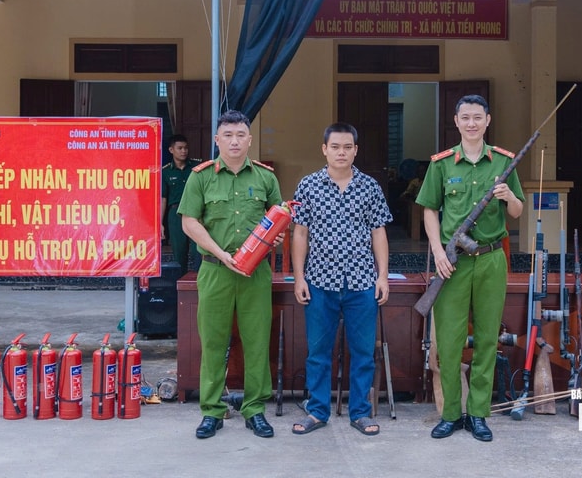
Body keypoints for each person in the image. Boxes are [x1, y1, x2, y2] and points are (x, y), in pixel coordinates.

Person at [415, 94, 524, 442]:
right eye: (466, 117)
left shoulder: (503, 162)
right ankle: (450, 413)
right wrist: (437, 251)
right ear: (457, 121)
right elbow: (429, 209)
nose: (472, 123)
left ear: (488, 120)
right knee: (448, 342)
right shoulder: (443, 163)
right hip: (452, 263)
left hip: (491, 259)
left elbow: (518, 212)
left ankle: (478, 413)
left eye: (478, 117)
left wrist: (509, 197)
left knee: (488, 340)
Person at [178, 110, 283, 439]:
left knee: (256, 341)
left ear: (250, 139)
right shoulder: (201, 177)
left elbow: (279, 217)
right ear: (217, 140)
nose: (235, 141)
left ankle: (254, 409)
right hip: (214, 271)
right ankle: (212, 410)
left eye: (241, 135)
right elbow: (189, 222)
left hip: (256, 274)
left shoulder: (266, 178)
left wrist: (277, 235)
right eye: (228, 135)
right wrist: (222, 254)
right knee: (213, 342)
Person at [290, 122, 392, 436]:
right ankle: (318, 411)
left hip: (361, 282)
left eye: (347, 147)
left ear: (355, 150)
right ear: (324, 149)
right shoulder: (308, 186)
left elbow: (379, 233)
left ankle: (361, 412)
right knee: (318, 352)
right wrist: (299, 277)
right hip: (320, 281)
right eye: (335, 147)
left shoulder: (370, 187)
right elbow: (300, 233)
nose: (341, 152)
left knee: (362, 352)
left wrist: (383, 276)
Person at [161, 134, 201, 275]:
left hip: (196, 211)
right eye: (180, 148)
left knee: (199, 248)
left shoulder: (197, 167)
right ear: (171, 150)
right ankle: (180, 285)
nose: (184, 151)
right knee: (179, 251)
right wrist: (160, 223)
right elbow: (163, 199)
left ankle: (199, 281)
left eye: (185, 148)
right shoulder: (165, 171)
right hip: (176, 213)